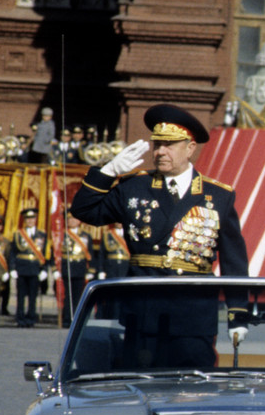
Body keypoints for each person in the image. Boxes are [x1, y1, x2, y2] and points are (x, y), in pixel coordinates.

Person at [69, 103, 252, 361]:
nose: (160, 152)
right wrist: (108, 171)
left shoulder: (217, 195)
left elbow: (234, 259)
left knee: (192, 389)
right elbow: (84, 211)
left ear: (190, 148)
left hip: (193, 311)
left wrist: (237, 313)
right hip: (144, 309)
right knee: (141, 386)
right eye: (157, 145)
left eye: (169, 145)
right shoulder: (135, 186)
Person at [9, 208, 49, 327]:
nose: (30, 221)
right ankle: (20, 318)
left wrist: (44, 269)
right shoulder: (18, 234)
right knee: (20, 295)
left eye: (32, 218)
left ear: (36, 219)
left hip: (35, 267)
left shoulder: (42, 235)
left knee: (33, 296)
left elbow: (46, 253)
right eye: (28, 219)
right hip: (22, 267)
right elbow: (13, 252)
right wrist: (12, 268)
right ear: (25, 220)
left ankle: (31, 318)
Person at [55, 212, 95, 326]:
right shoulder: (61, 235)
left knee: (77, 296)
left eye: (74, 219)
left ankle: (76, 319)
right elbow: (56, 252)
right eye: (69, 219)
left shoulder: (86, 235)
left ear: (79, 221)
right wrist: (55, 269)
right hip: (66, 267)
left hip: (80, 267)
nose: (72, 221)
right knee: (67, 296)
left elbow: (90, 253)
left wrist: (91, 270)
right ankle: (66, 319)